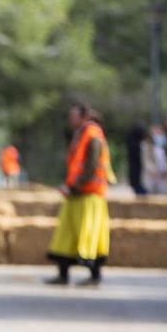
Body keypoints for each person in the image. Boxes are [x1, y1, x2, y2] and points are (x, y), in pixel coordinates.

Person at [48, 102, 111, 286]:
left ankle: (95, 276)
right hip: (76, 194)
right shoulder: (80, 135)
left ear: (84, 117)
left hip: (90, 195)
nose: (70, 120)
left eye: (73, 116)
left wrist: (74, 186)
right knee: (65, 237)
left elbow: (91, 167)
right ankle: (63, 274)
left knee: (89, 237)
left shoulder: (93, 137)